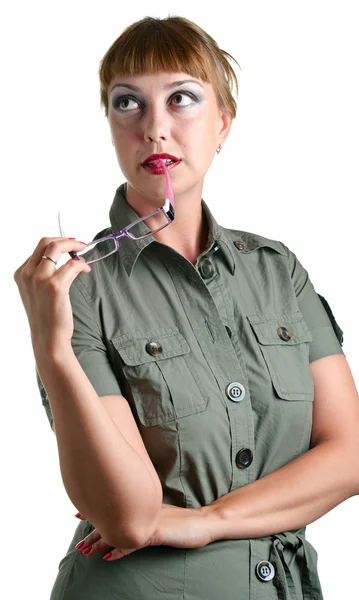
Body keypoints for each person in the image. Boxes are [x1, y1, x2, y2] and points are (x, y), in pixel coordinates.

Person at [14, 15, 359, 600]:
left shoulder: (278, 271)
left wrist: (205, 521)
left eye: (181, 99)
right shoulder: (77, 289)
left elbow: (349, 454)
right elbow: (128, 518)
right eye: (128, 104)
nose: (154, 128)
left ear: (222, 124)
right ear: (110, 125)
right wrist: (53, 350)